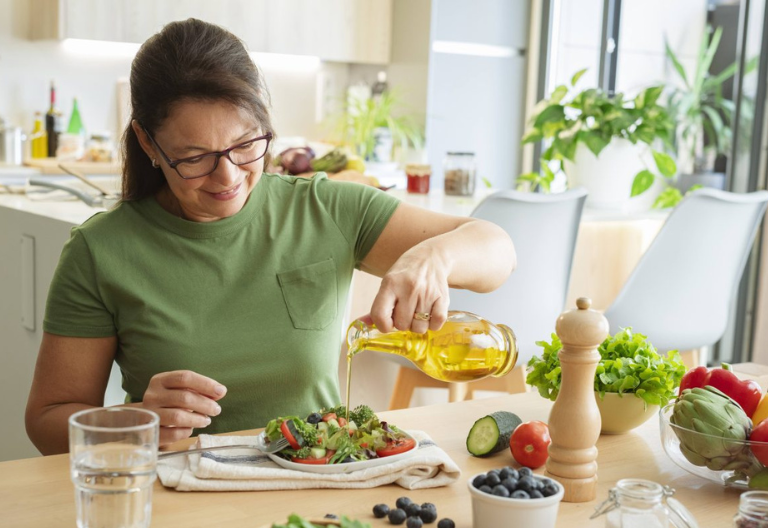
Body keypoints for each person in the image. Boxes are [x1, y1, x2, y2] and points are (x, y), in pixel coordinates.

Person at [25, 19, 516, 455]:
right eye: (194, 157)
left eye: (245, 145)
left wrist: (433, 257)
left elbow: (498, 251)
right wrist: (137, 424)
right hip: (182, 498)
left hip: (317, 486)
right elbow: (47, 422)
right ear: (149, 143)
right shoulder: (102, 250)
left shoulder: (325, 209)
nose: (227, 177)